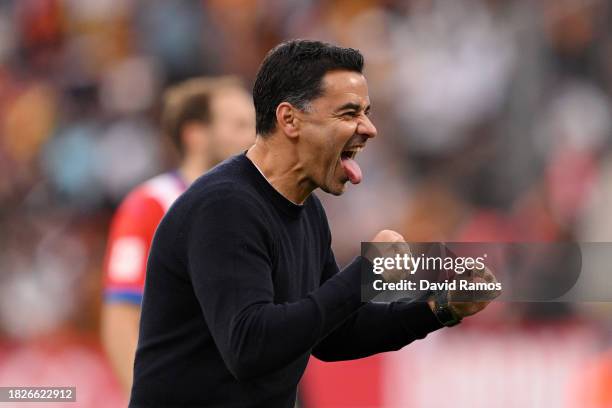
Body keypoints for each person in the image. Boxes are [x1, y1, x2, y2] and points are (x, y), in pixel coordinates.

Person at [130, 40, 498, 407]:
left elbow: (333, 335)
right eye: (349, 113)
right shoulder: (225, 206)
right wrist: (364, 276)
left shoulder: (306, 209)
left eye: (366, 112)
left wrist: (441, 308)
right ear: (289, 119)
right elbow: (250, 347)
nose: (369, 128)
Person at [100, 76, 255, 394]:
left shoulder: (267, 207)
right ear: (195, 135)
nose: (255, 137)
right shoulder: (151, 206)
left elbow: (330, 297)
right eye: (240, 126)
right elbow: (120, 315)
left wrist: (386, 263)